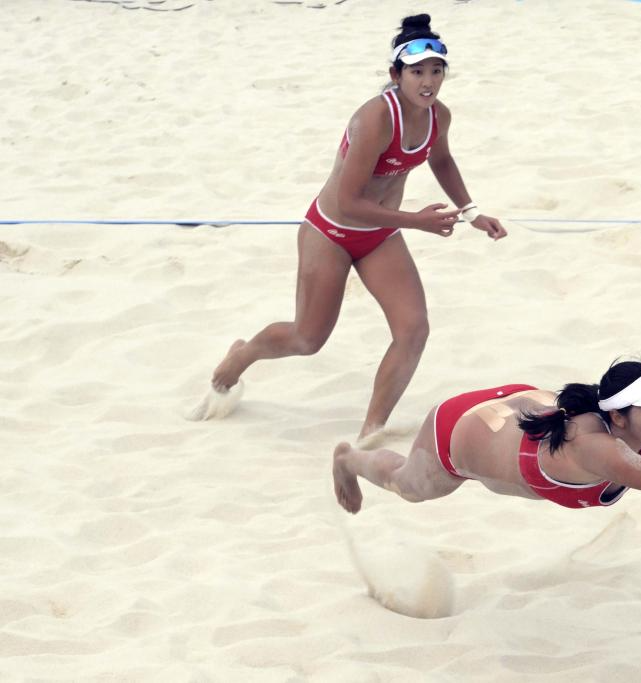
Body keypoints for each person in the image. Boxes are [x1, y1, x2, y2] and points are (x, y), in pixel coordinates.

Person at [202, 14, 507, 442]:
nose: (428, 82)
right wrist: (416, 221)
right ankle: (242, 355)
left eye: (436, 71)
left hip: (380, 234)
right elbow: (348, 202)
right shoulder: (375, 119)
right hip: (331, 231)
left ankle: (371, 430)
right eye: (417, 72)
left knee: (414, 330)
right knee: (307, 339)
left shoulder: (439, 116)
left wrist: (472, 212)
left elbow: (441, 160)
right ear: (395, 75)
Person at [331, 359, 641, 513]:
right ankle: (348, 459)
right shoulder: (595, 446)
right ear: (619, 417)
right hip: (463, 426)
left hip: (520, 414)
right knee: (413, 488)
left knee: (500, 477)